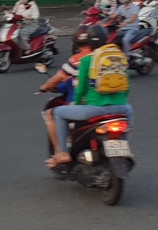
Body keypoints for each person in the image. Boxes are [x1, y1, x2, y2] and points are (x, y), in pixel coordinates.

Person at [42, 25, 131, 168]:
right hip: (121, 107)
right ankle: (125, 146)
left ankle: (63, 152)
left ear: (88, 42)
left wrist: (77, 104)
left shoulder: (86, 60)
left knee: (58, 113)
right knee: (129, 110)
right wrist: (121, 102)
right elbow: (127, 85)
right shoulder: (118, 56)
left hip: (95, 108)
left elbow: (81, 88)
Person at [39, 24, 95, 102]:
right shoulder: (101, 55)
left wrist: (45, 87)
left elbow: (59, 77)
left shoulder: (75, 60)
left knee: (52, 113)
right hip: (107, 98)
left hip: (86, 100)